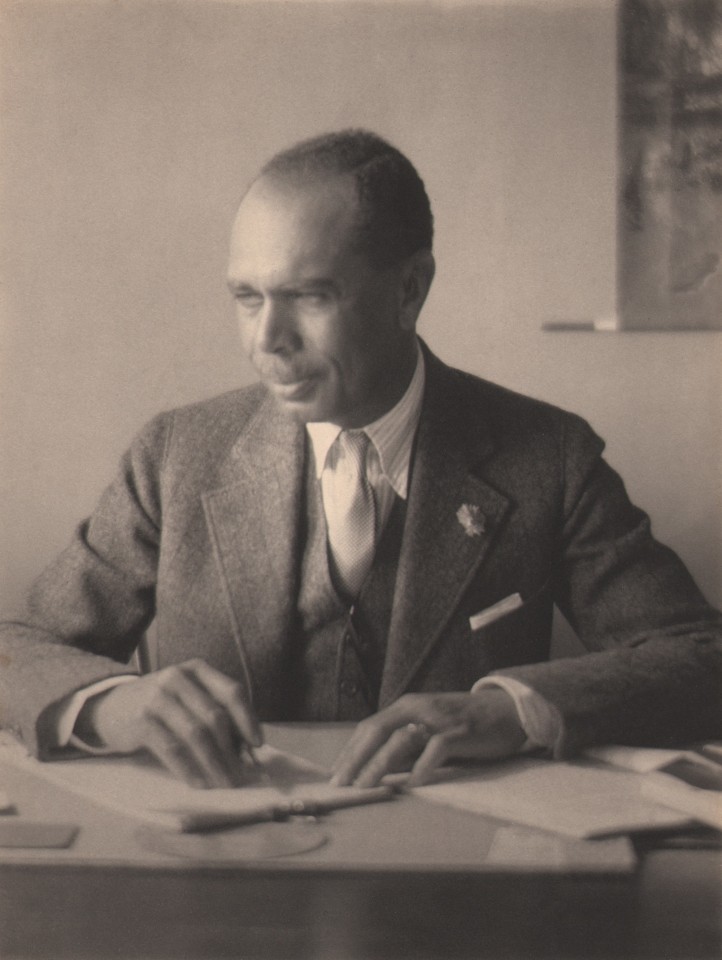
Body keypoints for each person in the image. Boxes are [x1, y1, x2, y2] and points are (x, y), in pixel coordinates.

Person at [1, 130, 720, 792]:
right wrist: (109, 704)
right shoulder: (174, 456)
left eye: (309, 296)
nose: (267, 340)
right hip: (219, 872)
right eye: (247, 298)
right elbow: (16, 648)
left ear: (409, 289)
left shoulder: (550, 458)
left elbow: (700, 658)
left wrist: (514, 710)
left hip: (451, 891)